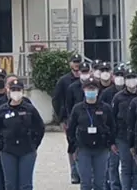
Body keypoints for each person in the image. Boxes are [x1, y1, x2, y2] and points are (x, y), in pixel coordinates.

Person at [0, 78, 46, 190]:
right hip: (8, 151)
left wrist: (34, 144)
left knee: (25, 185)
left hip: (27, 150)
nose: (16, 92)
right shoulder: (2, 110)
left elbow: (40, 128)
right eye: (13, 90)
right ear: (8, 91)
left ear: (22, 91)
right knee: (10, 184)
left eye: (18, 90)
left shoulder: (30, 109)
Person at [69, 78, 115, 190]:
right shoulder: (78, 108)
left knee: (100, 182)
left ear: (98, 91)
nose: (91, 91)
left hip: (101, 148)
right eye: (88, 89)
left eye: (93, 89)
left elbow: (112, 126)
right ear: (84, 90)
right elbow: (71, 129)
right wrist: (73, 146)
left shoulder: (105, 108)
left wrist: (110, 142)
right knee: (86, 182)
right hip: (83, 148)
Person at [56, 54, 87, 185]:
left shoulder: (89, 82)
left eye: (78, 62)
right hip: (71, 120)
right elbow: (58, 100)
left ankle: (84, 172)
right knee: (73, 145)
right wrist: (62, 119)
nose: (76, 64)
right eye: (74, 62)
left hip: (87, 119)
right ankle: (74, 173)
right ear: (70, 64)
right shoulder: (64, 81)